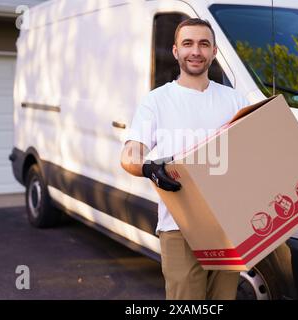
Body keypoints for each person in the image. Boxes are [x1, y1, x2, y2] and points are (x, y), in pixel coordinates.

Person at [120, 18, 250, 300]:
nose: (196, 51)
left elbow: (253, 155)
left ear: (214, 51)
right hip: (179, 225)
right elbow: (130, 154)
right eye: (188, 43)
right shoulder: (156, 101)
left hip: (227, 223)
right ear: (175, 50)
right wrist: (149, 168)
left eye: (204, 44)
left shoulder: (235, 102)